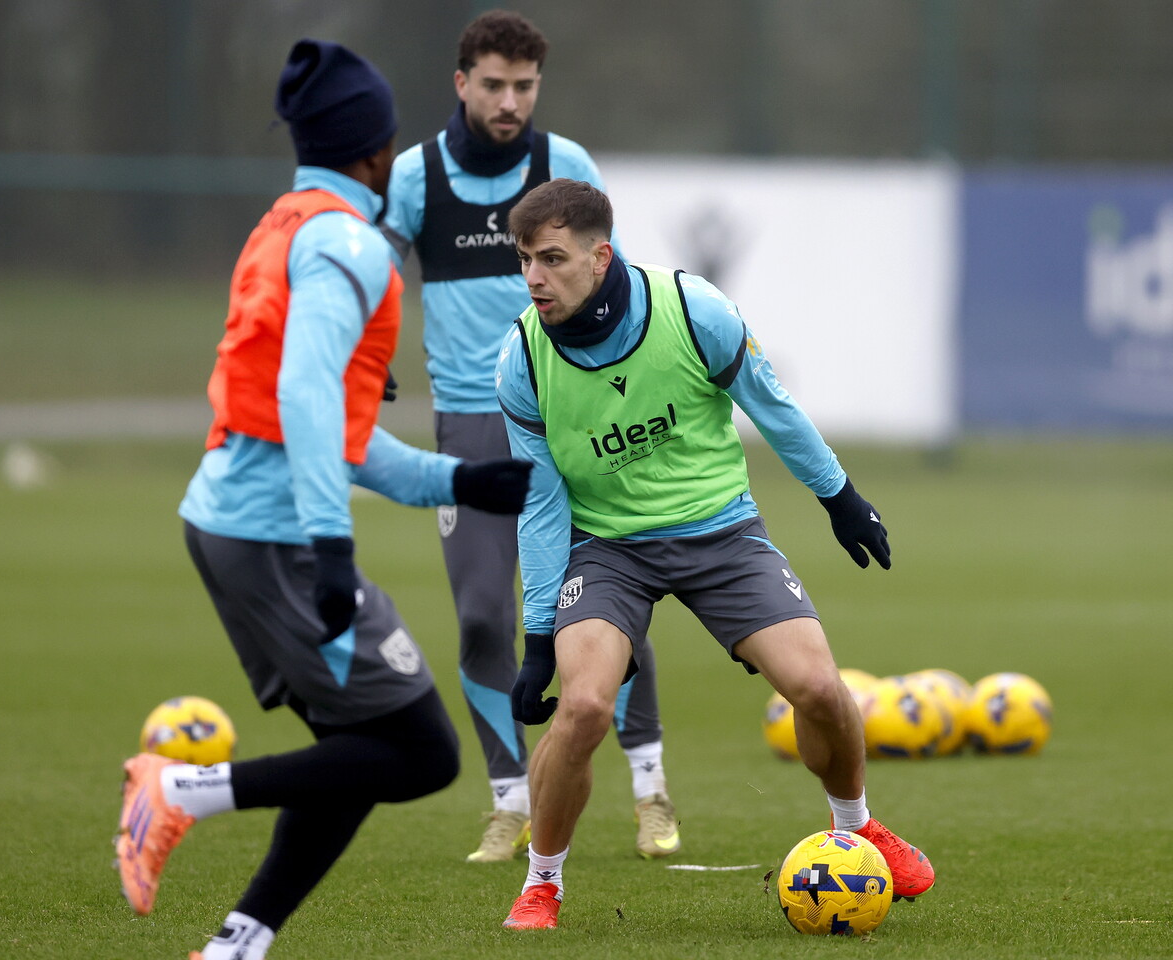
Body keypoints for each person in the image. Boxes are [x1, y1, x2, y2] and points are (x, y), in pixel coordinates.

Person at [111, 40, 532, 960]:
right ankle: (176, 793)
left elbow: (326, 426)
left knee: (358, 753)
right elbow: (306, 395)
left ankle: (239, 943)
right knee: (420, 752)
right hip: (276, 541)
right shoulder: (348, 242)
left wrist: (454, 480)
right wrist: (331, 548)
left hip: (233, 521)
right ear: (378, 150)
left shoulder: (288, 222)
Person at [493, 178, 936, 930]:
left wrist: (840, 497)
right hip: (607, 550)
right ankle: (543, 883)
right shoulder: (522, 362)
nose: (534, 277)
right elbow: (540, 506)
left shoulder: (695, 311)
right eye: (525, 259)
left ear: (600, 258)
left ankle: (857, 825)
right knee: (585, 707)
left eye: (552, 259)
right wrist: (538, 636)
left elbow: (775, 407)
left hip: (721, 533)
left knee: (823, 691)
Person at [380, 8, 680, 864]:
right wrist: (367, 350)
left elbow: (614, 278)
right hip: (470, 423)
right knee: (482, 616)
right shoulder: (416, 176)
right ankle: (508, 800)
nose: (510, 101)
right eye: (495, 84)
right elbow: (371, 268)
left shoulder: (565, 167)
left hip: (571, 413)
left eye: (525, 86)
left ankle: (651, 789)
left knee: (604, 613)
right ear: (461, 83)